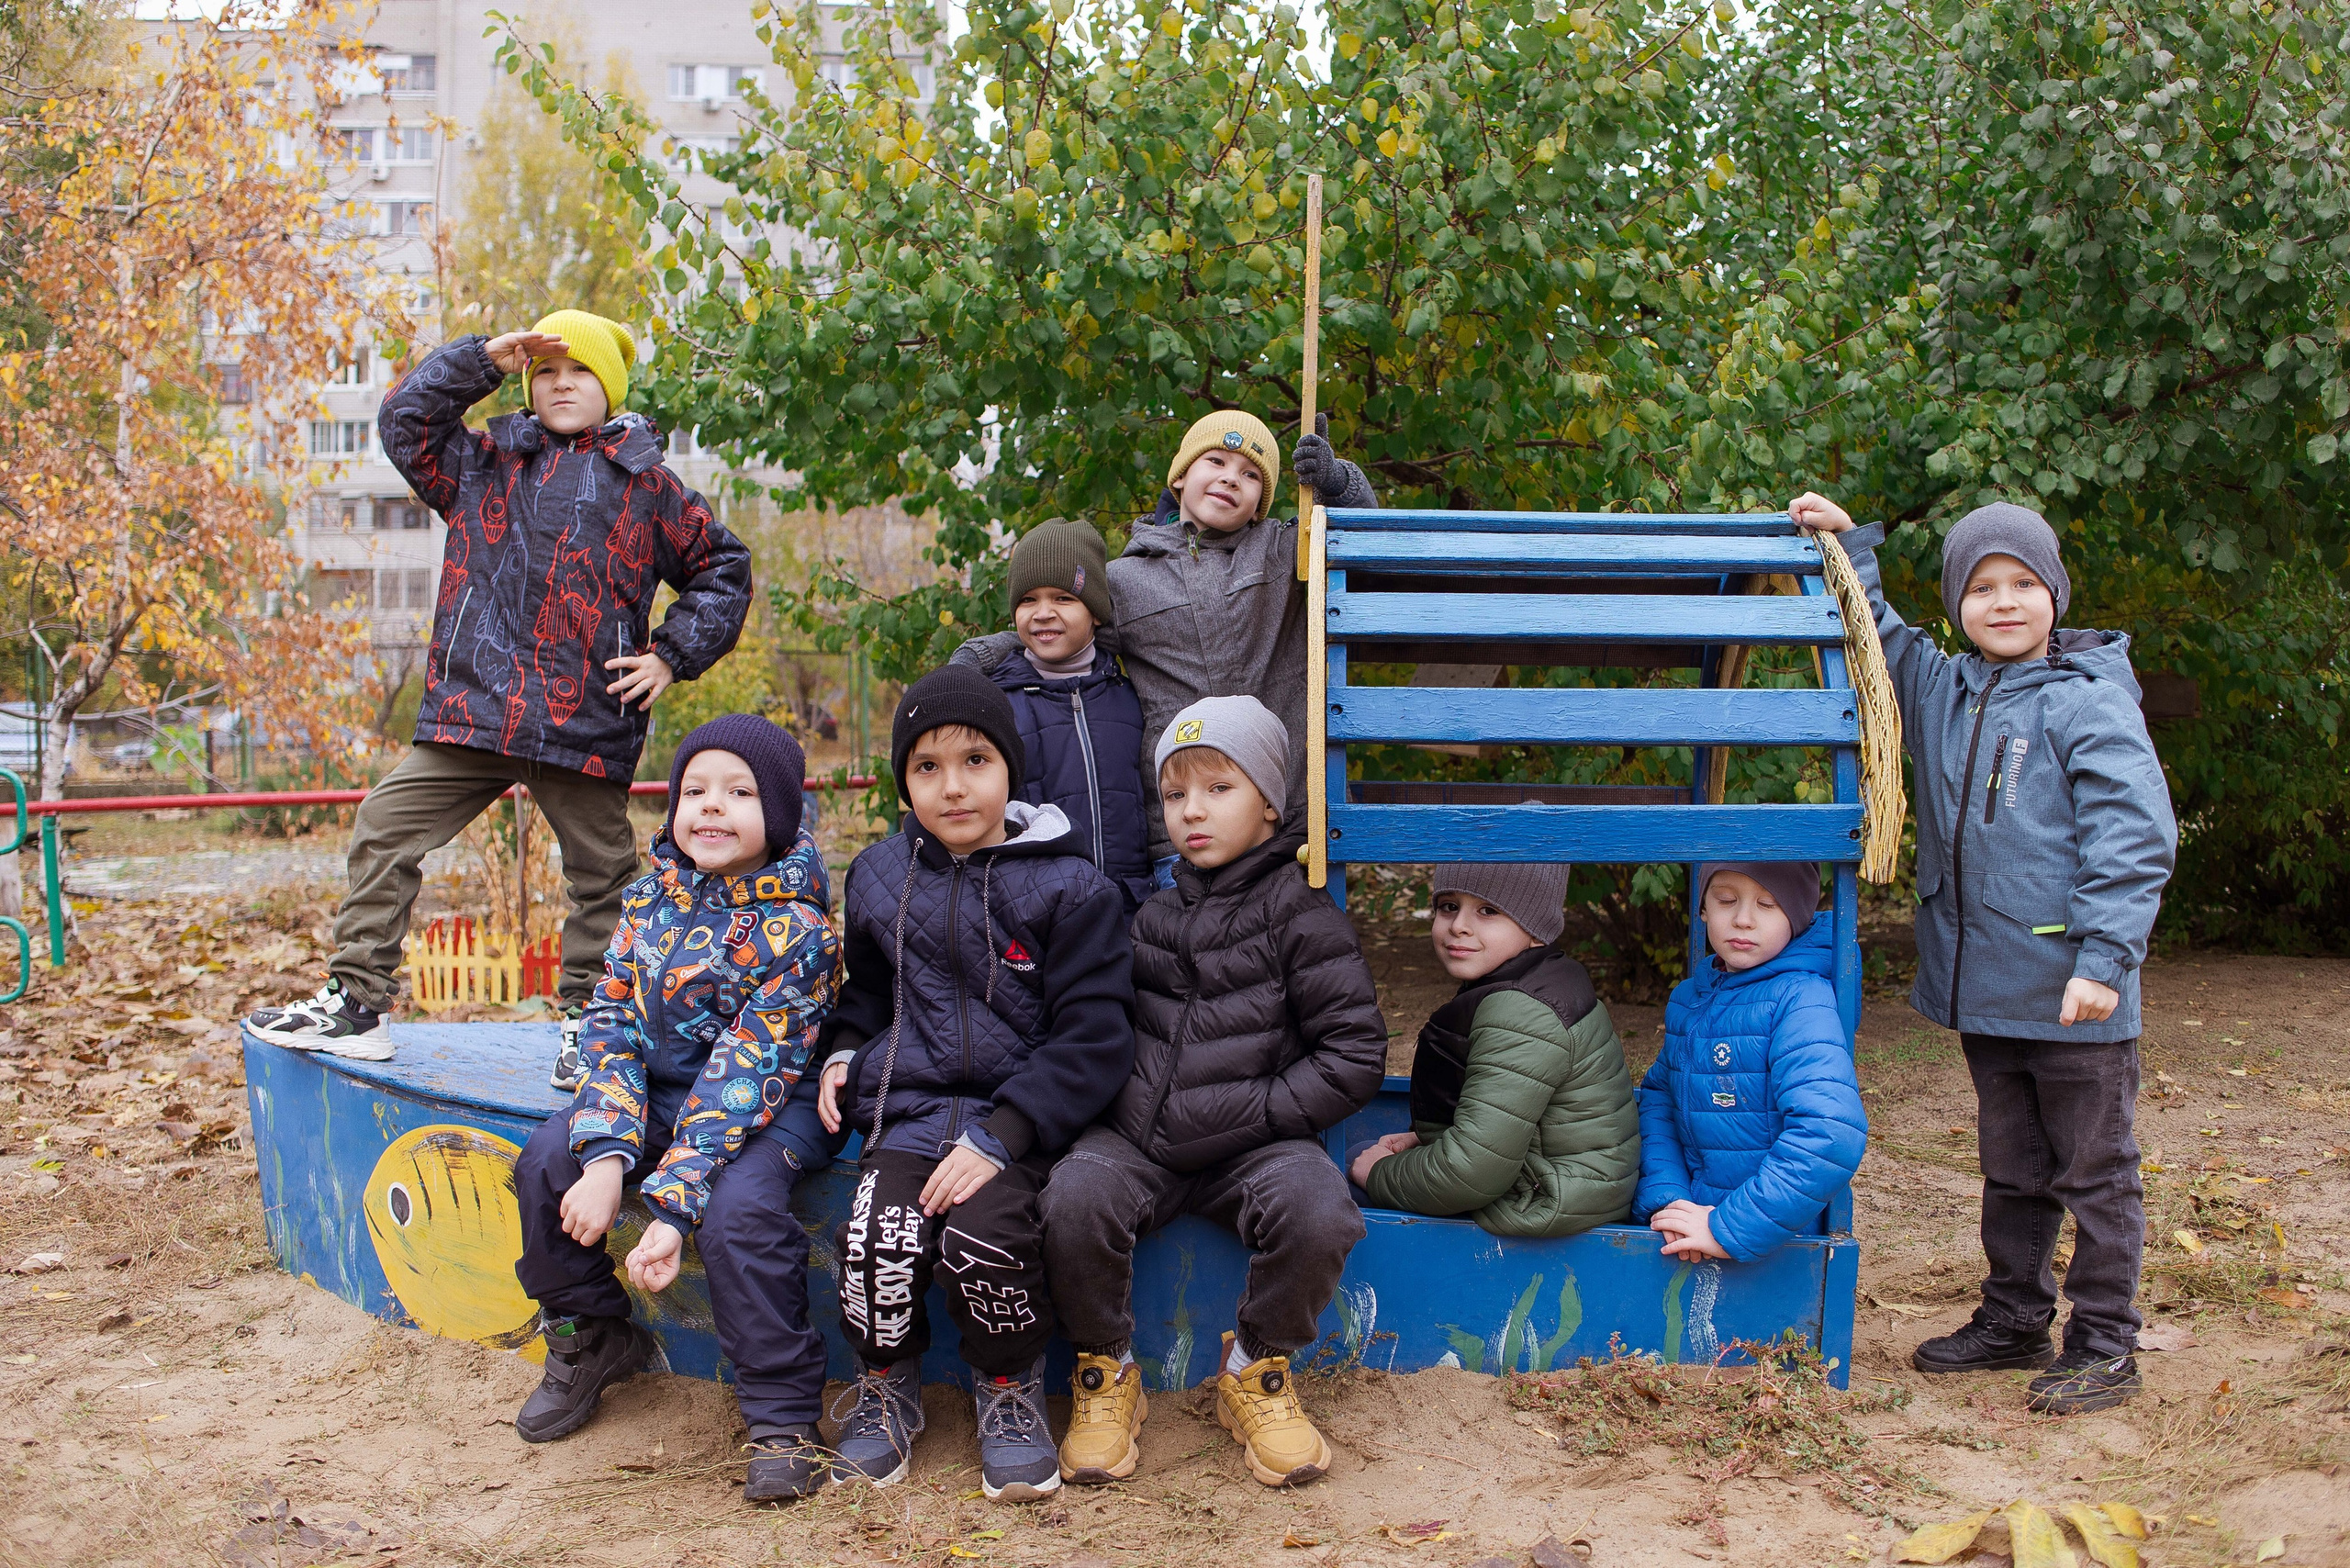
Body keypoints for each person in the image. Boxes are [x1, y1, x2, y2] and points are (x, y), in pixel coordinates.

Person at [246, 312, 752, 1091]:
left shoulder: (649, 486)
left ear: (608, 387)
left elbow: (723, 567)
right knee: (386, 824)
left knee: (603, 875)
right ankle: (358, 1003)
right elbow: (403, 420)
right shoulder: (482, 463)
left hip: (584, 715)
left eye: (577, 372)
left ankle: (595, 1024)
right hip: (475, 709)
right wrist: (480, 361)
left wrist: (670, 656)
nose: (560, 384)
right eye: (544, 372)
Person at [1791, 494, 2177, 1416]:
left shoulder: (2087, 704)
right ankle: (2013, 1317)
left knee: (2094, 1170)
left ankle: (2104, 1343)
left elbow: (2134, 836)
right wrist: (1848, 546)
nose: (2004, 602)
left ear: (2054, 594)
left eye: (2023, 584)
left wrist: (2103, 959)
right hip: (1988, 992)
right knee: (2013, 1167)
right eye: (1982, 586)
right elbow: (1877, 634)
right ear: (1959, 601)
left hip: (2071, 989)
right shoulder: (1945, 689)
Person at [1043, 696, 1387, 1491]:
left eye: (1218, 788)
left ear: (1269, 801)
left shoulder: (1302, 917)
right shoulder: (1148, 917)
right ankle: (1106, 1371)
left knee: (1320, 1212)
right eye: (1174, 794)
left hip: (1254, 1143)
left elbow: (1354, 1051)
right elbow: (1099, 1025)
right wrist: (1108, 1111)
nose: (1191, 811)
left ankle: (1257, 1370)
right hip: (1139, 1142)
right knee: (1073, 1201)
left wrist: (1261, 1112)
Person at [815, 666, 1136, 1502]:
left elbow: (1093, 1037)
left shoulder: (1072, 887)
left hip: (1017, 1124)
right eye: (926, 767)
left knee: (982, 1244)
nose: (952, 786)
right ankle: (887, 1383)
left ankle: (1009, 1387)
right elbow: (867, 993)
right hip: (912, 1111)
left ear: (1010, 771)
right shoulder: (882, 877)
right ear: (903, 780)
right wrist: (845, 1051)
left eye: (975, 760)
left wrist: (1003, 1136)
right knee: (876, 1241)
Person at [505, 716, 840, 1503]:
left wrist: (672, 1209)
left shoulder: (805, 934)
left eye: (739, 792)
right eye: (695, 790)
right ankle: (591, 1333)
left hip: (770, 1103)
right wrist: (610, 1158)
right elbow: (611, 1023)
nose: (711, 808)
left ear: (782, 813)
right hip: (657, 1092)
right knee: (548, 1163)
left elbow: (744, 1074)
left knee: (739, 1214)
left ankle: (784, 1416)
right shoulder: (650, 898)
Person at [954, 411, 1379, 879]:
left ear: (1263, 500)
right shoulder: (1126, 579)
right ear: (1180, 475)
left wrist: (1338, 485)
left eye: (1251, 474)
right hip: (1178, 825)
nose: (1230, 478)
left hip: (1281, 819)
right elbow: (1056, 626)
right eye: (1215, 460)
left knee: (1289, 943)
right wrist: (986, 653)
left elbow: (1365, 557)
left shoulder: (1287, 552)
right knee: (1181, 945)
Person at [1348, 864, 1639, 1238]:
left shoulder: (1521, 1011)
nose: (1459, 926)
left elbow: (1472, 1172)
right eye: (1449, 906)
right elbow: (1511, 1114)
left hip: (1547, 1197)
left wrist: (1375, 1175)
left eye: (1488, 911)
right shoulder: (1533, 981)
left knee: (1342, 1177)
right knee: (1364, 1151)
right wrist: (1427, 1139)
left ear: (1537, 930)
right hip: (1563, 1179)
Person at [1634, 862, 1868, 1268]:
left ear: (1796, 919)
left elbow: (1829, 1132)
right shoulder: (1691, 996)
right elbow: (1660, 1100)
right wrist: (1669, 1199)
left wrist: (1728, 1228)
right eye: (1726, 900)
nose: (1743, 919)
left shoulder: (1800, 999)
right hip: (1689, 1225)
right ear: (1703, 908)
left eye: (1768, 904)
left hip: (1774, 1241)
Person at [950, 520, 1155, 913]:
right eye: (1028, 600)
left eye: (1063, 598)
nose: (1043, 613)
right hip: (1030, 910)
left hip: (1129, 907)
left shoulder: (1129, 694)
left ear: (1096, 612)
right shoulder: (996, 703)